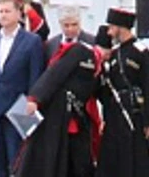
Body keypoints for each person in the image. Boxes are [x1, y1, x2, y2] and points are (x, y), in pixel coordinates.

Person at [13, 17, 99, 177]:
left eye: (74, 25)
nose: (71, 29)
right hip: (59, 111)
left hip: (79, 115)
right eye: (67, 25)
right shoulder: (79, 50)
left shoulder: (94, 56)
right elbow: (54, 74)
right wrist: (35, 98)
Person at [0, 0, 45, 177]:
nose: (3, 15)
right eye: (0, 11)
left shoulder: (32, 41)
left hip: (19, 107)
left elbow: (35, 76)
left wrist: (33, 102)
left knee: (17, 160)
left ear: (18, 13)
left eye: (7, 11)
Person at [94, 8, 149, 177]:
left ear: (120, 27)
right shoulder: (114, 53)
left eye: (111, 27)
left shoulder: (142, 53)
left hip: (135, 114)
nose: (109, 31)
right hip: (115, 115)